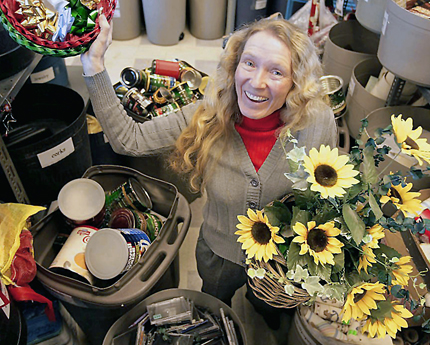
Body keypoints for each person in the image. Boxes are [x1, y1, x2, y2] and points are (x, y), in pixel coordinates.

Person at [81, 13, 337, 330]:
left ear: (295, 81)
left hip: (280, 262)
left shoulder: (317, 122)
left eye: (276, 71)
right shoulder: (208, 114)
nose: (257, 82)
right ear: (234, 65)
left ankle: (266, 314)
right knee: (215, 300)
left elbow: (326, 193)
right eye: (249, 63)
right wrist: (94, 67)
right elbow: (128, 139)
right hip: (219, 252)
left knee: (269, 308)